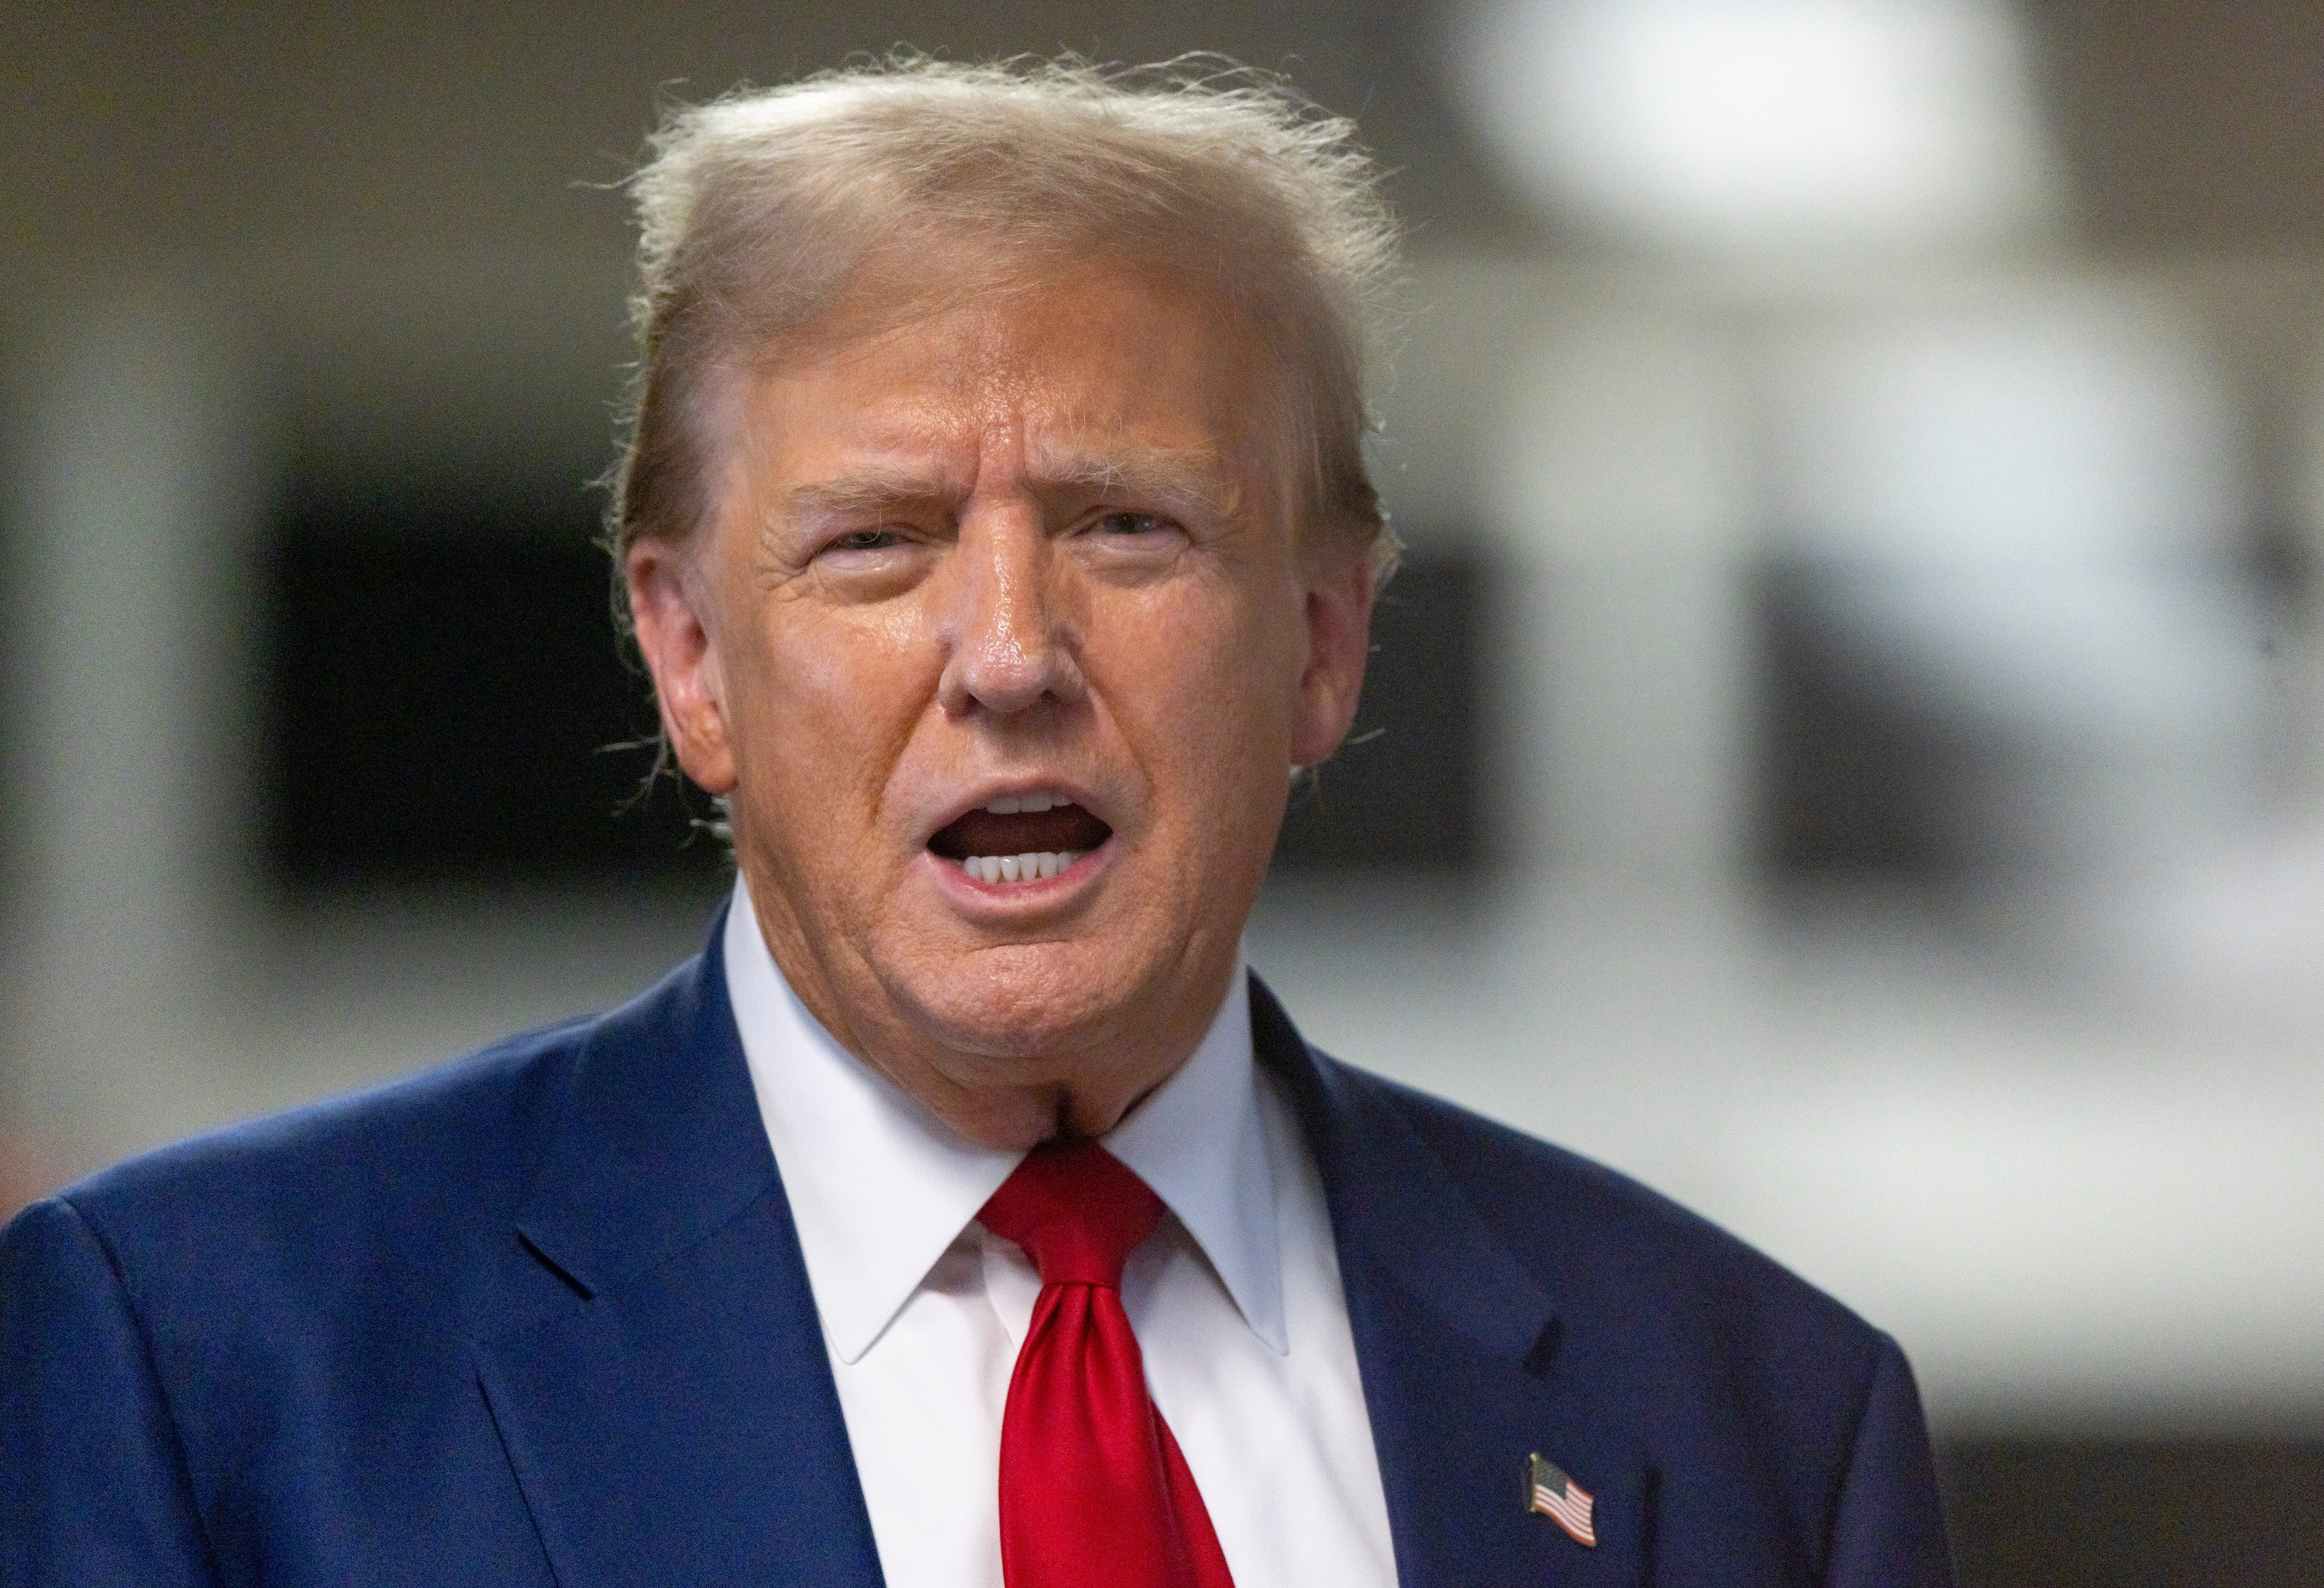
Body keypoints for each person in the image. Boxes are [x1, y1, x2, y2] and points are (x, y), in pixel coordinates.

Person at [0, 58, 1953, 1587]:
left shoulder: (1754, 1418)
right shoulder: (204, 1368)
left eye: (1129, 526)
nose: (1010, 652)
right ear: (690, 662)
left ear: (1325, 641)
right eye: (877, 545)